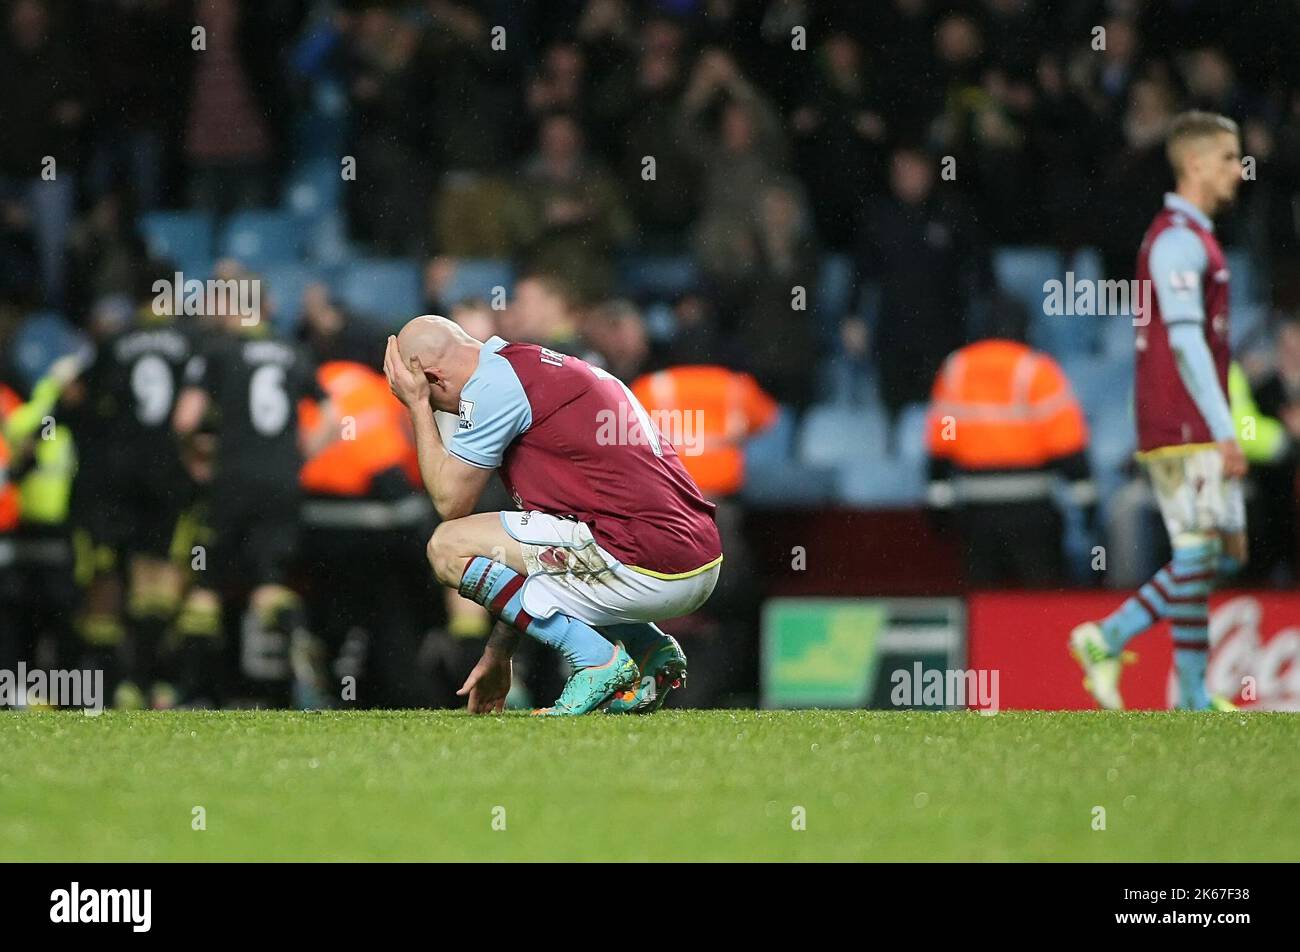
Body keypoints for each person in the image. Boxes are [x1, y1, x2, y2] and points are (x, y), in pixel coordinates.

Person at [382, 315, 722, 715]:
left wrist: (417, 406)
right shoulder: (533, 369)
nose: (448, 415)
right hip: (694, 559)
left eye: (437, 401)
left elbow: (449, 502)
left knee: (447, 546)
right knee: (515, 545)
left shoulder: (491, 388)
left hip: (642, 557)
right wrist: (499, 653)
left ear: (435, 379)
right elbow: (530, 563)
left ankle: (596, 660)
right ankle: (647, 649)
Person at [1071, 111, 1247, 711]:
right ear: (1195, 164)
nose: (1238, 171)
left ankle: (1193, 695)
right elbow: (1184, 339)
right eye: (1228, 158)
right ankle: (1107, 636)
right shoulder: (1177, 240)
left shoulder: (1188, 235)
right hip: (1184, 426)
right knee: (1207, 554)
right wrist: (1224, 431)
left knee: (1206, 551)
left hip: (1177, 423)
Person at [173, 307, 338, 706]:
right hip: (281, 483)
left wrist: (194, 456)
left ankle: (196, 691)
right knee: (270, 584)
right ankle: (296, 678)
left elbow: (184, 419)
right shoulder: (292, 351)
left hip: (231, 481)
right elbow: (333, 420)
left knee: (207, 587)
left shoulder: (217, 351)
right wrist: (297, 459)